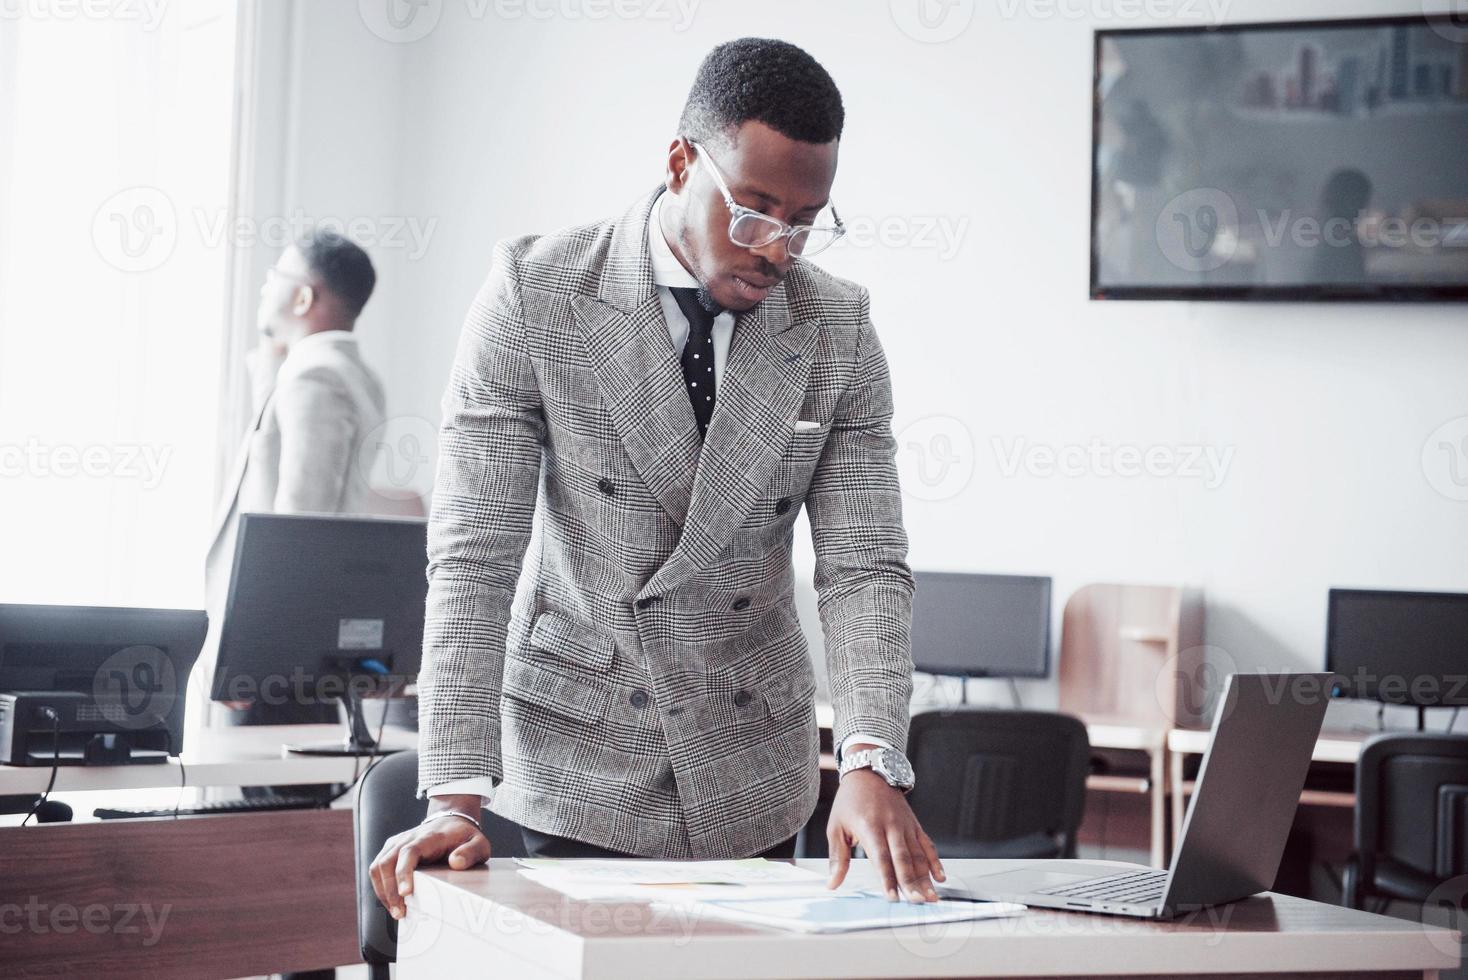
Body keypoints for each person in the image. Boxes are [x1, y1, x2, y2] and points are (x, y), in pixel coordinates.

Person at [371, 38, 943, 915]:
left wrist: (869, 756)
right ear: (681, 163)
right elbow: (474, 559)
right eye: (753, 212)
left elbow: (865, 564)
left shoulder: (839, 328)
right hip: (575, 755)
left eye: (804, 221)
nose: (778, 250)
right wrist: (453, 794)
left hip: (753, 761)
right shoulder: (536, 294)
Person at [201, 228, 388, 728]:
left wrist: (248, 656)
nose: (265, 288)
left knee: (265, 804)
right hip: (301, 643)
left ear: (304, 295)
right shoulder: (341, 371)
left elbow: (300, 527)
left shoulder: (316, 376)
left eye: (274, 276)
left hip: (275, 654)